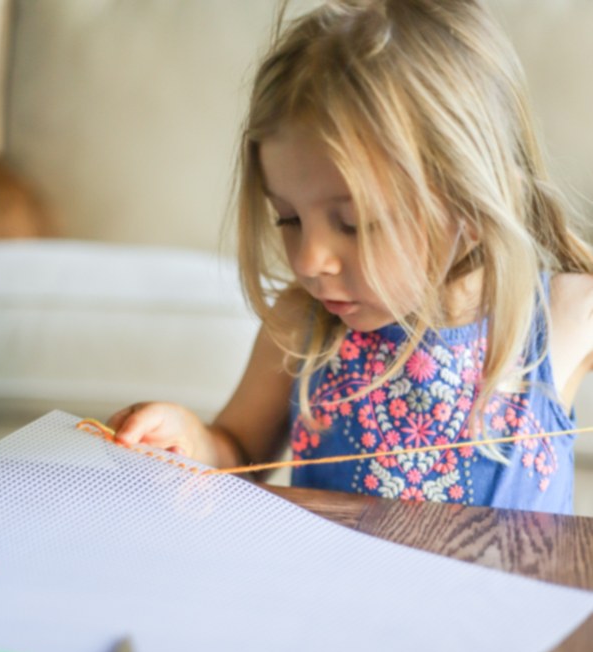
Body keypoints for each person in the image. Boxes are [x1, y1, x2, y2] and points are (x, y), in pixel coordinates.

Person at [109, 0, 593, 513]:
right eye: (289, 218)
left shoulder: (566, 315)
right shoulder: (304, 325)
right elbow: (238, 448)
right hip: (328, 593)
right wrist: (193, 441)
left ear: (469, 210)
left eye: (353, 224)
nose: (309, 260)